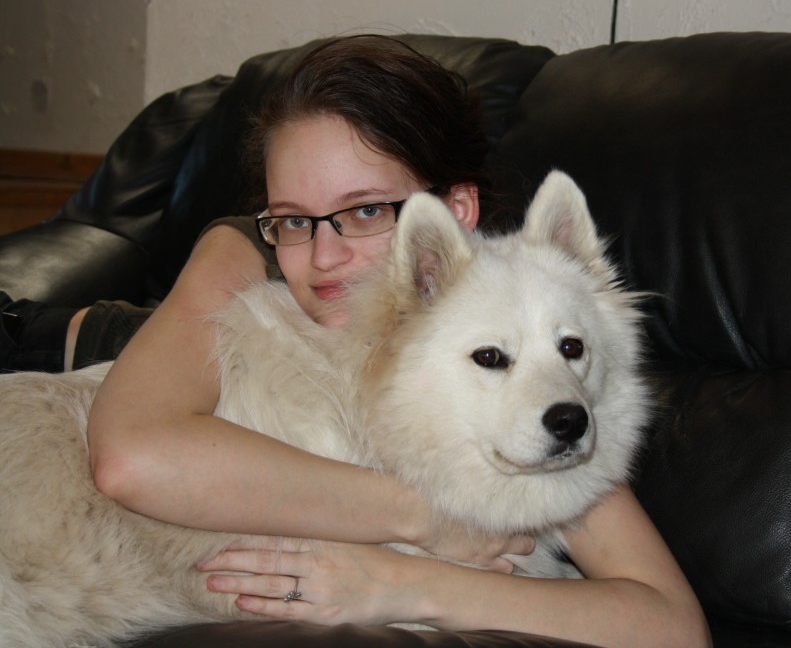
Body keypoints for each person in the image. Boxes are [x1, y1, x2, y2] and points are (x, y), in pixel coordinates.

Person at [13, 36, 712, 648]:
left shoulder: (528, 350)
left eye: (367, 210)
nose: (323, 258)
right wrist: (426, 519)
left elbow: (668, 624)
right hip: (71, 344)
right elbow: (132, 457)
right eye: (292, 219)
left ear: (451, 215)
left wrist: (406, 583)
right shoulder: (244, 255)